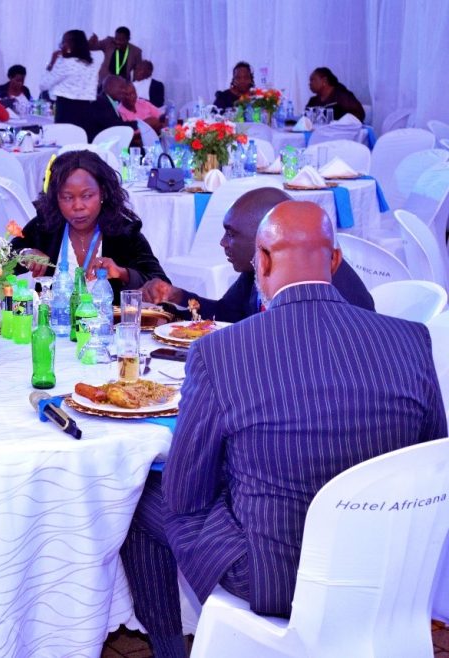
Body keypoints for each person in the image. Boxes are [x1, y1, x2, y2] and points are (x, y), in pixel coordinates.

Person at [121, 200, 446, 658]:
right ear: (335, 260)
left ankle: (170, 650)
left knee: (139, 495)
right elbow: (431, 461)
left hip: (273, 579)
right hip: (389, 570)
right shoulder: (411, 339)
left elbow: (186, 496)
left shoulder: (221, 352)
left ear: (263, 260)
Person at [142, 187, 374, 321]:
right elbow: (227, 314)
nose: (223, 243)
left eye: (231, 234)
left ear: (265, 236)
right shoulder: (262, 266)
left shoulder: (325, 287)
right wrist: (177, 296)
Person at [11, 150, 168, 298]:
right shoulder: (46, 226)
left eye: (87, 196)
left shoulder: (124, 232)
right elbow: (0, 259)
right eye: (67, 197)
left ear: (103, 193)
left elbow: (161, 285)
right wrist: (25, 254)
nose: (78, 206)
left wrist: (121, 273)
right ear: (56, 198)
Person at [41, 30, 104, 142]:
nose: (61, 46)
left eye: (63, 42)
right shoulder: (92, 64)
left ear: (70, 45)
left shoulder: (64, 63)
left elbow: (43, 85)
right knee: (81, 143)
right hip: (87, 109)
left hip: (66, 109)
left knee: (64, 143)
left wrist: (51, 63)